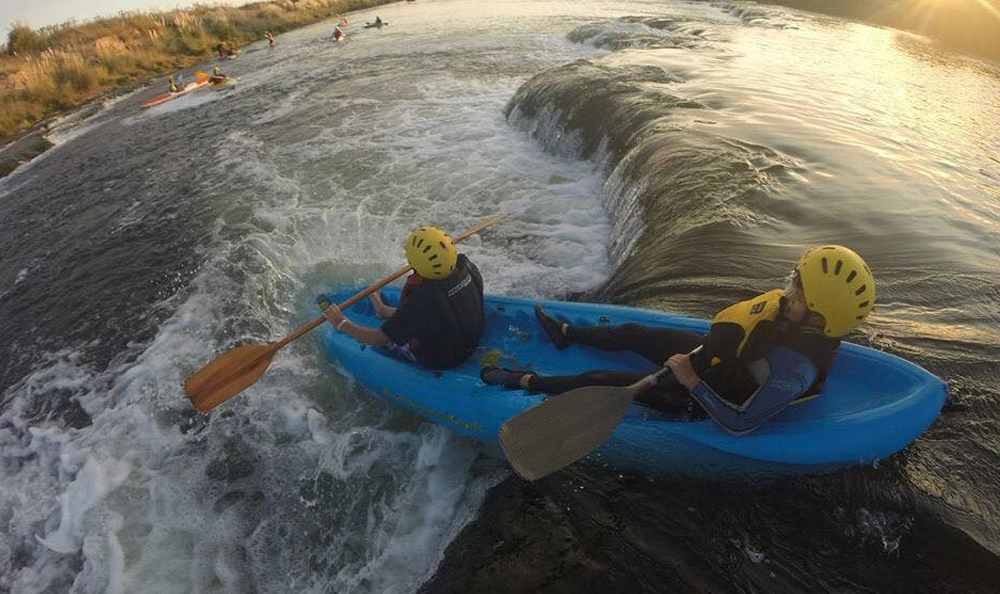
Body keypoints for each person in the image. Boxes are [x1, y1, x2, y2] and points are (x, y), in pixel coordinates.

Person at [481, 245, 876, 434]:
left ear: (818, 315)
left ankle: (527, 381)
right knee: (637, 334)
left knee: (602, 379)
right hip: (720, 361)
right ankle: (566, 333)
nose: (788, 292)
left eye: (799, 293)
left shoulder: (796, 372)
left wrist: (690, 380)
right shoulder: (797, 320)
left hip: (708, 396)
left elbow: (740, 424)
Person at [323, 226, 486, 370]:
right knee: (433, 311)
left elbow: (379, 339)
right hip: (472, 342)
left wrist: (341, 323)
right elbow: (446, 307)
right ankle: (383, 310)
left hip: (443, 359)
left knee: (392, 341)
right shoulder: (467, 266)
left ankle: (382, 312)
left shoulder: (420, 300)